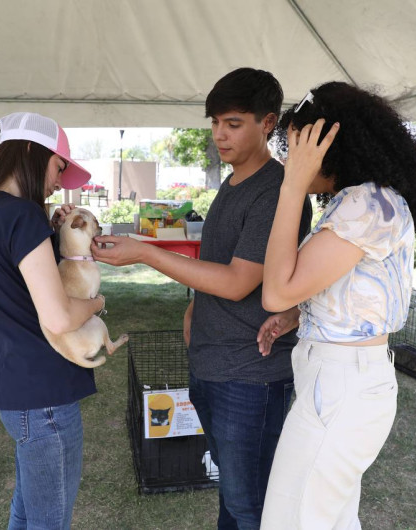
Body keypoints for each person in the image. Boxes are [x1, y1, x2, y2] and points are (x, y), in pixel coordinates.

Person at [92, 68, 312, 529]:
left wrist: (145, 253)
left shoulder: (277, 193)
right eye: (214, 124)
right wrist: (194, 304)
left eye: (233, 123)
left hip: (251, 374)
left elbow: (236, 282)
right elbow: (217, 267)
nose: (219, 135)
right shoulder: (231, 185)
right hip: (212, 363)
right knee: (232, 499)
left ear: (268, 122)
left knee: (252, 504)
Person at [257, 82, 416, 529]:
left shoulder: (366, 203)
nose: (289, 156)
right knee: (328, 519)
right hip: (344, 382)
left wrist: (292, 187)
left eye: (298, 145)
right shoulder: (367, 201)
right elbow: (355, 287)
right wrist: (300, 313)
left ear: (330, 145)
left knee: (292, 520)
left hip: (342, 387)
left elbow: (275, 290)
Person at [0, 111, 100, 529]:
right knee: (47, 520)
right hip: (46, 398)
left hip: (19, 389)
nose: (59, 180)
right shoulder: (22, 216)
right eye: (59, 166)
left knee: (28, 512)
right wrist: (97, 303)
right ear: (29, 152)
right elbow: (58, 317)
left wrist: (60, 238)